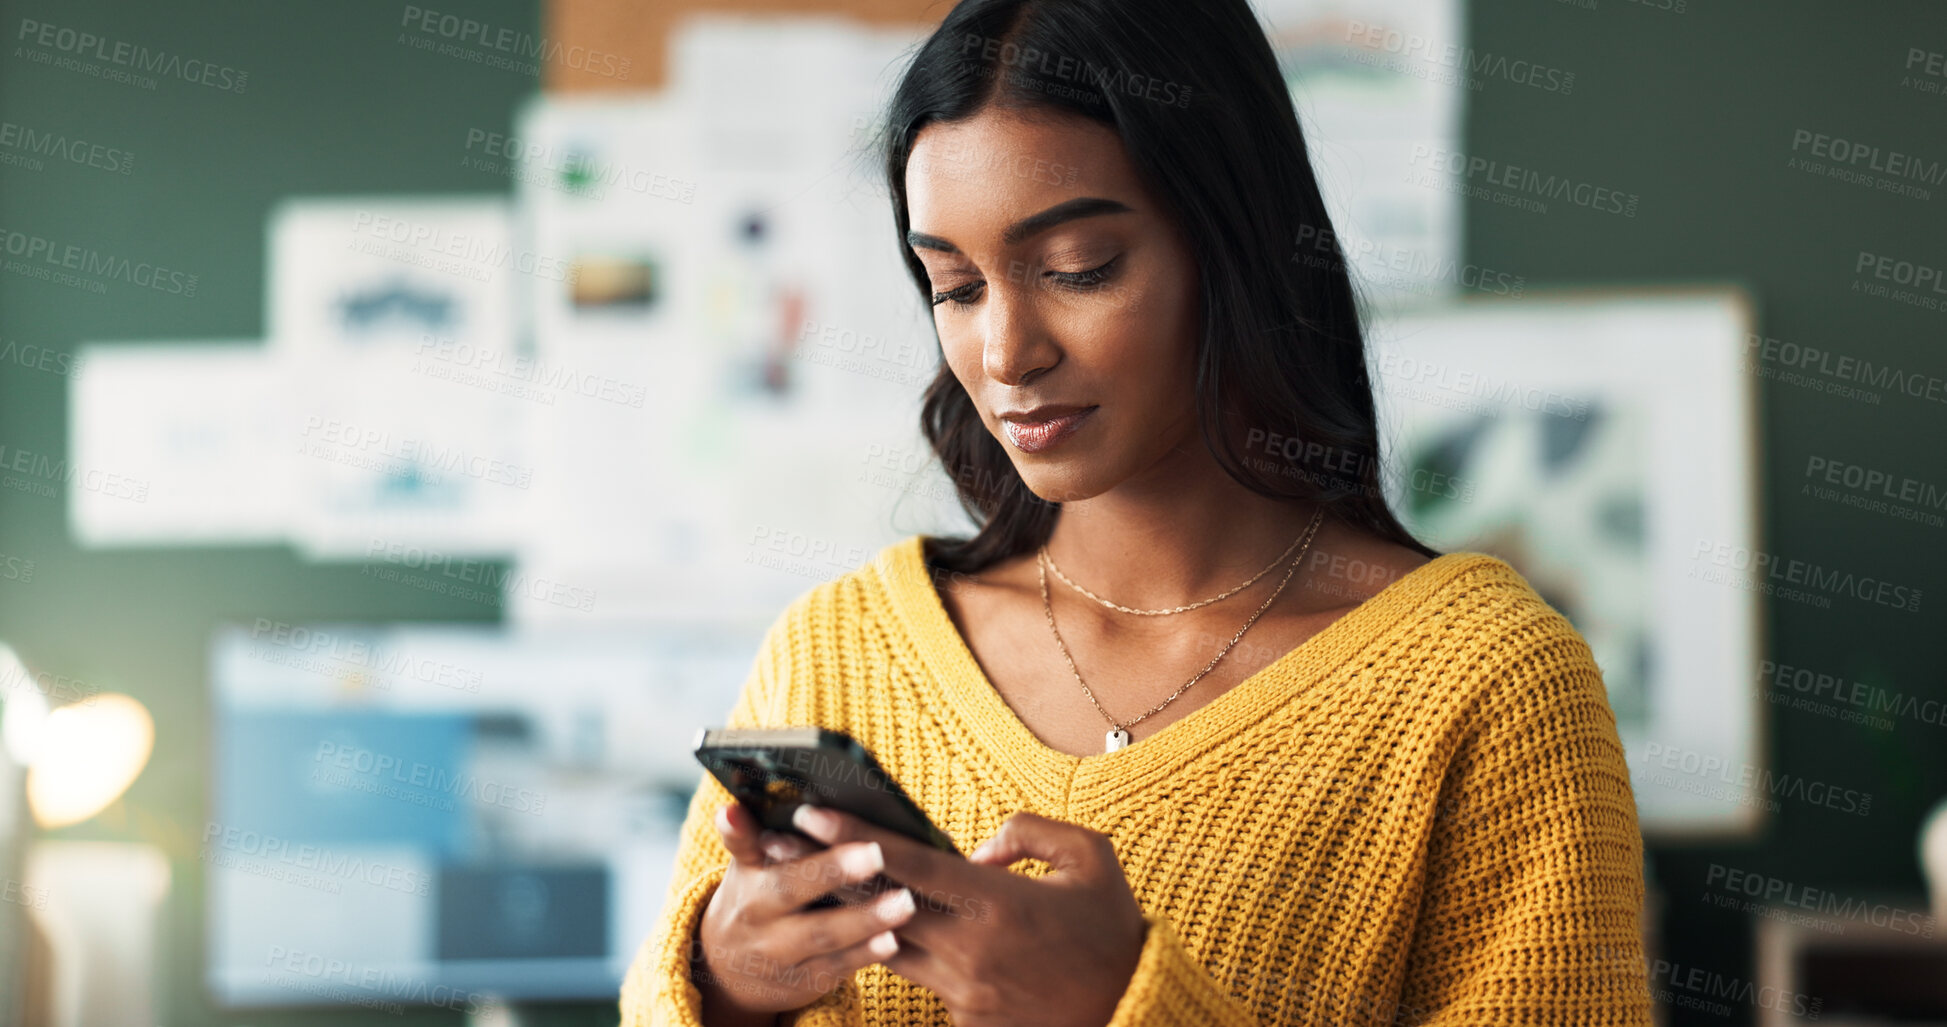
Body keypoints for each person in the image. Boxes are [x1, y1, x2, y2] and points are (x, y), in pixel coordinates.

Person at [622, 0, 1652, 1023]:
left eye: (1079, 270)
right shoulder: (839, 651)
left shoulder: (1484, 687)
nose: (1006, 354)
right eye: (956, 286)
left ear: (1235, 248)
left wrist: (1126, 1008)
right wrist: (725, 981)